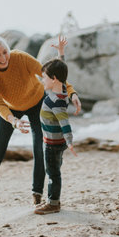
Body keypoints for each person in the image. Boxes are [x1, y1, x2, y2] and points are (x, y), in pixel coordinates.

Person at [0, 34, 70, 215]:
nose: (3, 58)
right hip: (11, 110)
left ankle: (37, 196)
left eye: (4, 52)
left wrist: (70, 93)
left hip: (37, 103)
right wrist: (14, 121)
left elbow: (49, 74)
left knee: (40, 149)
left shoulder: (20, 58)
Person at [36, 59, 81, 216]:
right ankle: (52, 199)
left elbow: (65, 123)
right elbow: (62, 70)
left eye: (44, 77)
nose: (42, 80)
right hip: (54, 141)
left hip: (53, 144)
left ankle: (53, 203)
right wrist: (60, 53)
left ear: (53, 78)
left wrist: (70, 142)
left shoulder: (56, 100)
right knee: (54, 171)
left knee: (53, 173)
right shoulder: (61, 89)